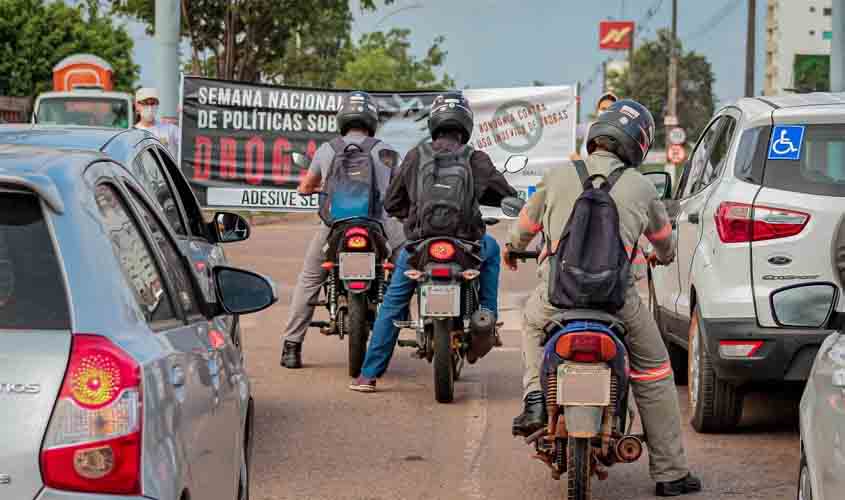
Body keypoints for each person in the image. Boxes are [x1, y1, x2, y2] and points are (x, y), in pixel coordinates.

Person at [504, 99, 702, 497]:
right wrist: (659, 256)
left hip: (556, 298)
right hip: (617, 303)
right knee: (656, 372)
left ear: (598, 134)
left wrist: (512, 246)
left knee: (529, 322)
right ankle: (670, 472)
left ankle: (535, 399)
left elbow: (524, 226)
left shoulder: (559, 176)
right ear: (637, 144)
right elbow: (664, 245)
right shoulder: (642, 186)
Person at [349, 91, 518, 393]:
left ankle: (368, 375)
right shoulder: (476, 159)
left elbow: (391, 203)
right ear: (465, 124)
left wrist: (411, 219)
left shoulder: (416, 155)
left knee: (392, 304)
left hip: (421, 246)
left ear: (434, 123)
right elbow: (506, 194)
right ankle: (486, 319)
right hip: (466, 247)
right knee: (492, 250)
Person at [280, 91, 405, 369]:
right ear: (372, 120)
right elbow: (402, 191)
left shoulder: (328, 149)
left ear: (343, 119)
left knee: (310, 278)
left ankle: (291, 347)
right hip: (381, 226)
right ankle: (410, 325)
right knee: (405, 271)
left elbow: (306, 186)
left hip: (335, 227)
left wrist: (308, 189)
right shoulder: (387, 151)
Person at [570, 91, 618, 161]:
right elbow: (569, 130)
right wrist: (572, 107)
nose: (606, 112)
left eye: (610, 109)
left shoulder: (618, 134)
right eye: (603, 109)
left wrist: (579, 163)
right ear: (597, 110)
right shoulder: (589, 127)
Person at [134, 87, 181, 159]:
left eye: (153, 103)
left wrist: (185, 115)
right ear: (137, 106)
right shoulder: (131, 133)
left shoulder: (170, 130)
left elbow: (189, 141)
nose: (150, 107)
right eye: (145, 103)